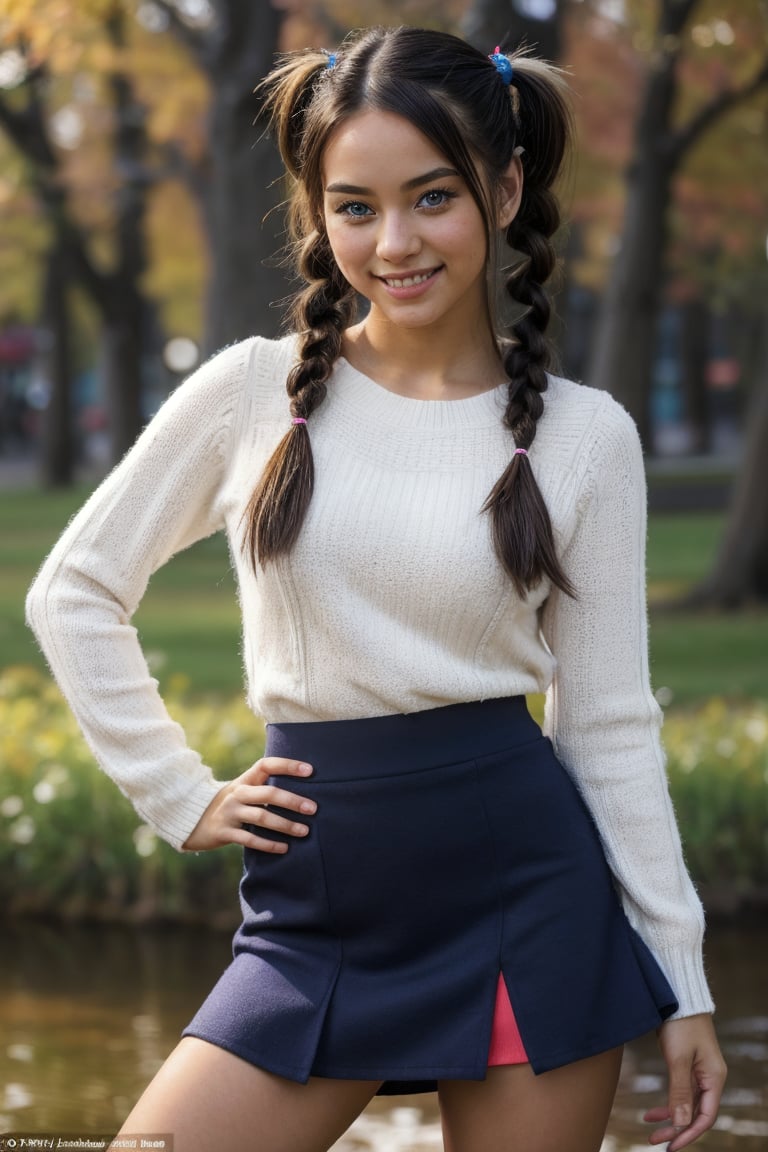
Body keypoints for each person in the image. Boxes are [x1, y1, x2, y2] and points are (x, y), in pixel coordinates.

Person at [26, 25, 726, 1152]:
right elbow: (73, 590)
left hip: (524, 897)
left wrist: (683, 977)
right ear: (318, 216)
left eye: (432, 196)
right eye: (354, 206)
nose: (393, 242)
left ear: (503, 189)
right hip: (316, 900)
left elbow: (607, 725)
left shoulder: (589, 438)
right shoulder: (253, 392)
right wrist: (179, 793)